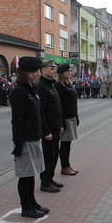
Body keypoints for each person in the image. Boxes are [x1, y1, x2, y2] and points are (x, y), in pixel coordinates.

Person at [9, 56, 49, 218]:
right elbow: (16, 120)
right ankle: (26, 207)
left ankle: (32, 202)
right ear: (25, 72)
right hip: (25, 139)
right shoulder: (19, 91)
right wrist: (18, 142)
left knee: (32, 173)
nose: (37, 74)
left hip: (34, 137)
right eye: (34, 71)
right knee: (25, 175)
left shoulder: (31, 89)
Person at [37, 60, 64, 193]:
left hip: (55, 126)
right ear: (43, 70)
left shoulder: (51, 85)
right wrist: (46, 130)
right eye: (51, 68)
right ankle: (45, 182)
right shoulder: (41, 86)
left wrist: (59, 124)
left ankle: (50, 178)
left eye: (55, 68)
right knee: (48, 156)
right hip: (48, 129)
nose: (54, 71)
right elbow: (40, 111)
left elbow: (55, 107)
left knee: (54, 154)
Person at [54, 64, 79, 175]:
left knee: (68, 143)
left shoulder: (69, 85)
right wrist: (62, 121)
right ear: (62, 73)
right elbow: (59, 106)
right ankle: (64, 166)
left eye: (70, 71)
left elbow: (73, 102)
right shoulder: (59, 86)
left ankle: (67, 165)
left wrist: (76, 116)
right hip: (66, 118)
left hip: (71, 117)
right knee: (64, 144)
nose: (70, 73)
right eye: (68, 71)